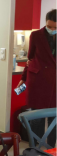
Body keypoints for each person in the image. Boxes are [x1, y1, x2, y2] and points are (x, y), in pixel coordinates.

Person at [17, 9, 56, 147]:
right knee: (37, 118)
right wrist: (23, 77)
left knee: (54, 118)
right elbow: (31, 59)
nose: (51, 29)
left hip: (55, 82)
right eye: (49, 26)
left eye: (55, 27)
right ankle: (35, 149)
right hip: (38, 81)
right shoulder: (36, 35)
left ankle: (51, 150)